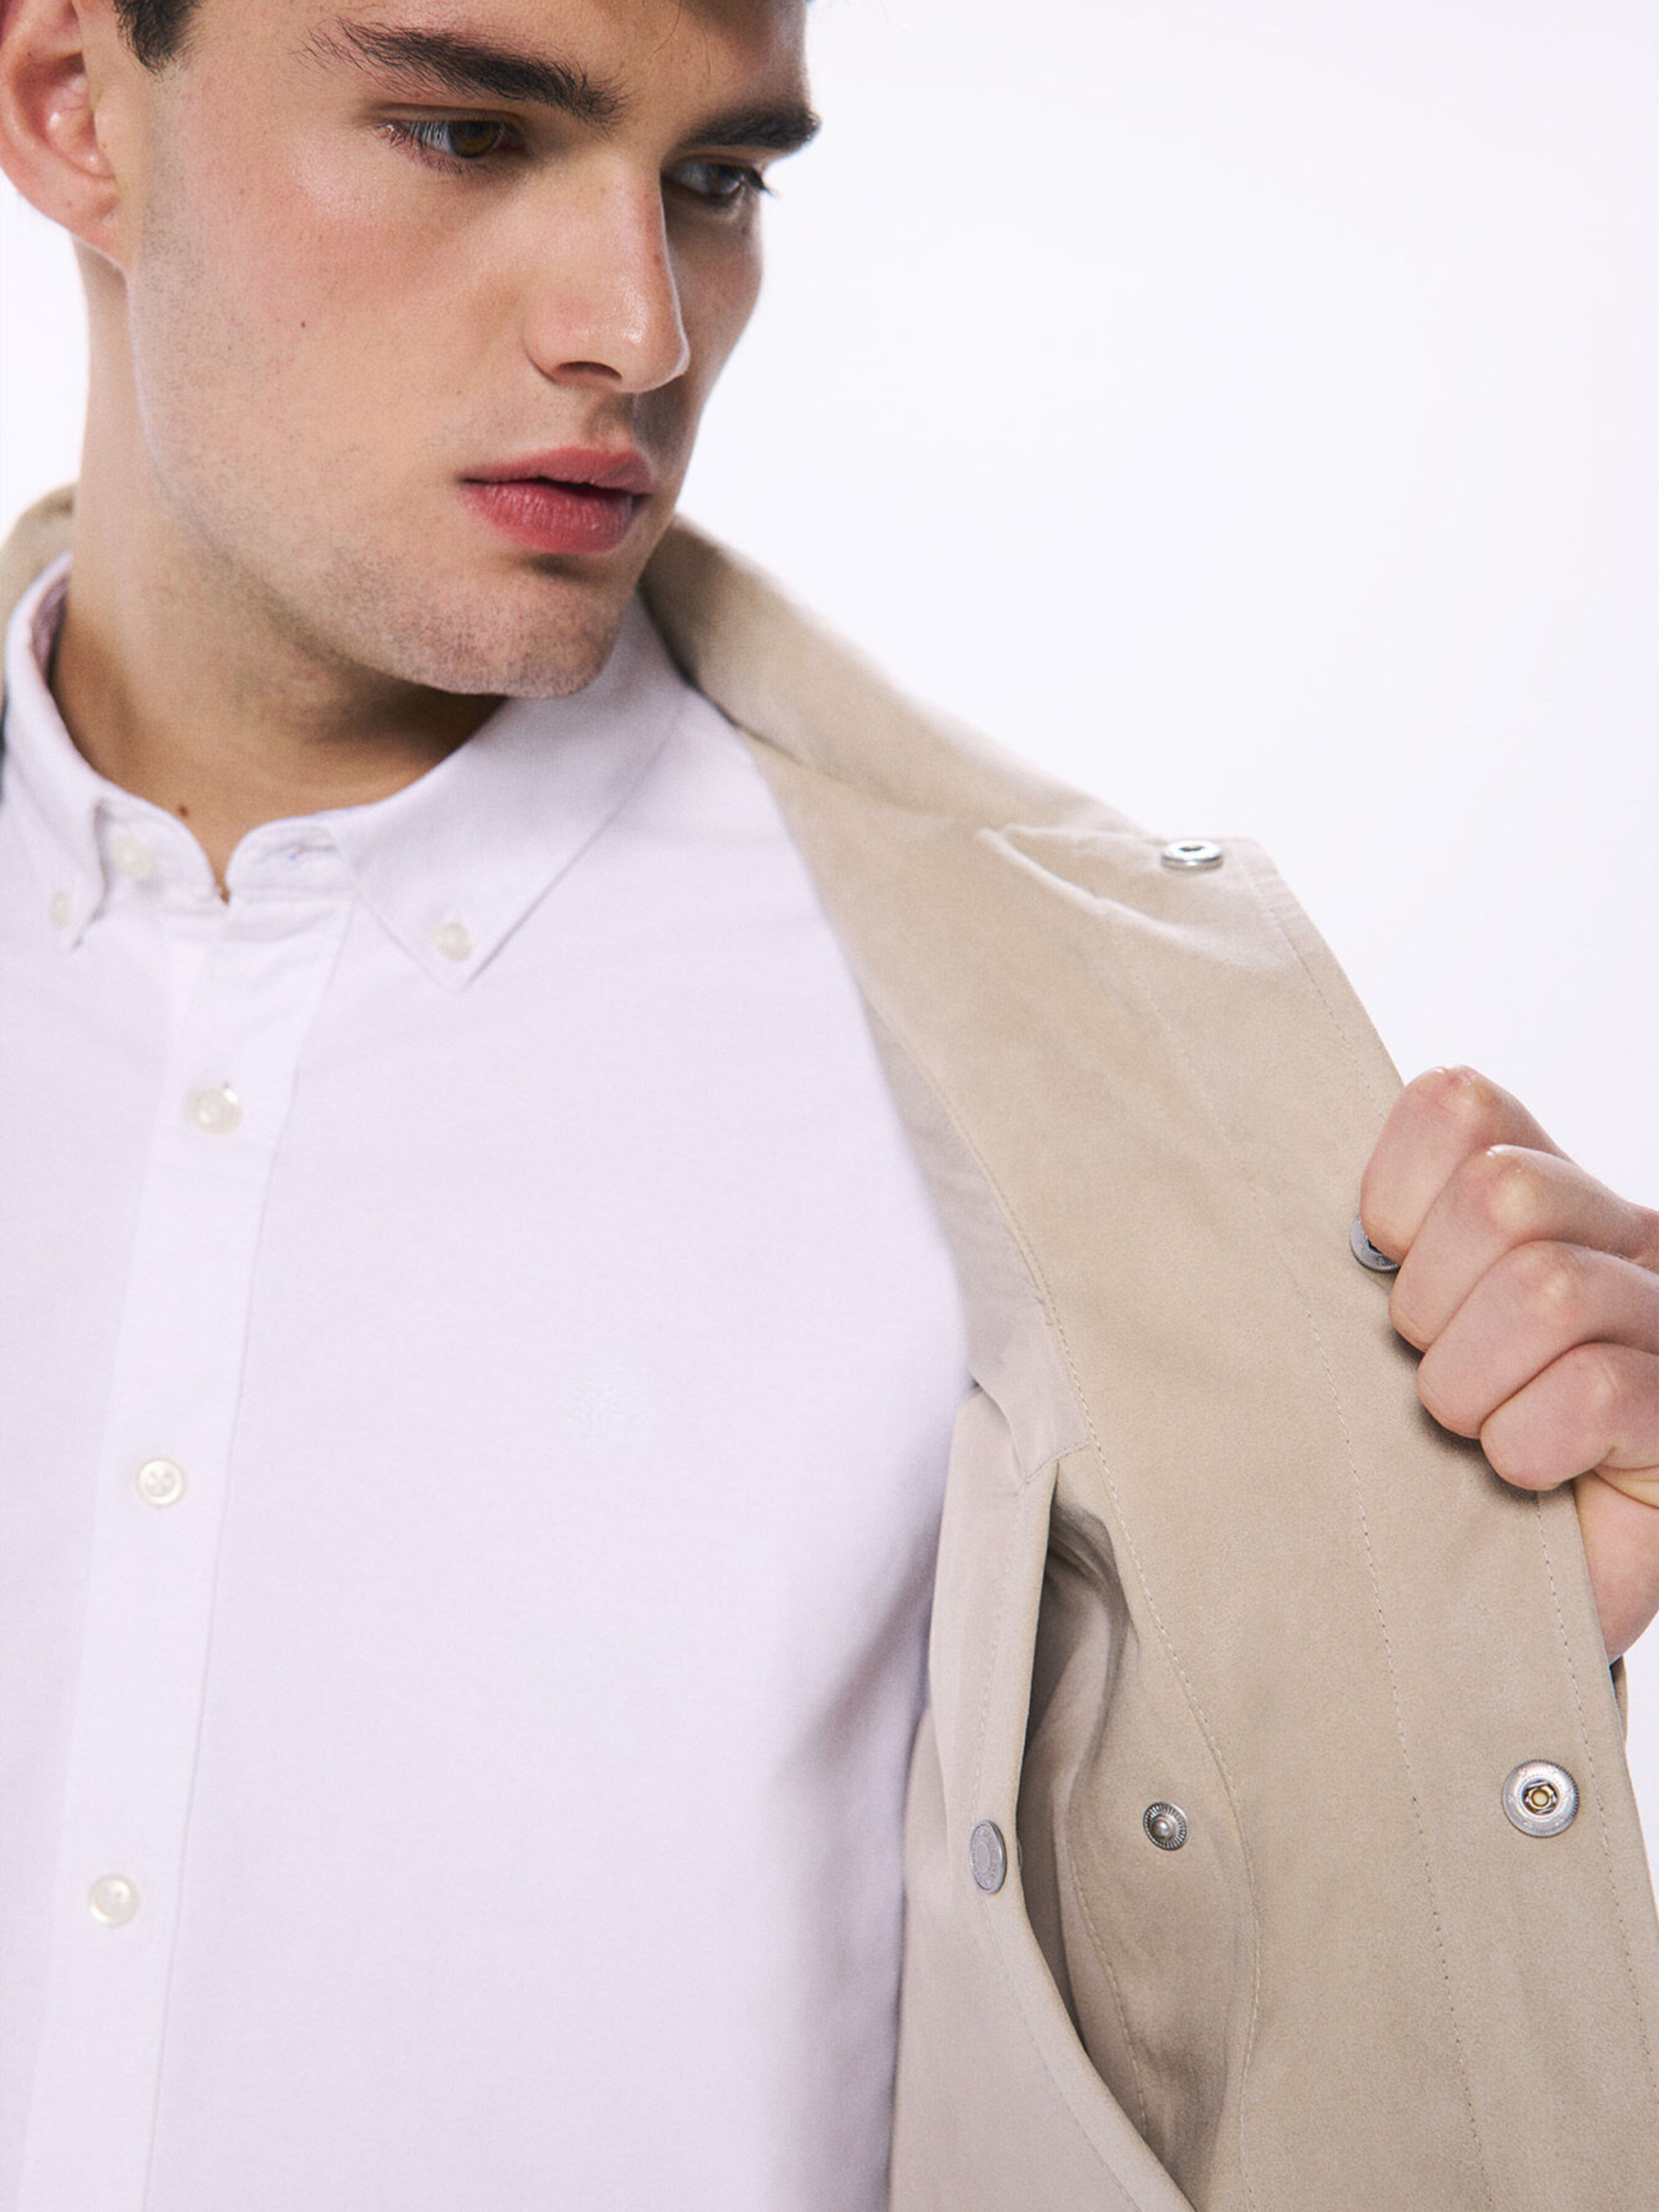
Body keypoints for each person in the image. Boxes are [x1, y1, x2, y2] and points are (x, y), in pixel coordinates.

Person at [1, 2, 1656, 2207]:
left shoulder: (1064, 1079)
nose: (639, 330)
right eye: (466, 132)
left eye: (717, 180)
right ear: (71, 107)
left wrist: (1454, 1653)